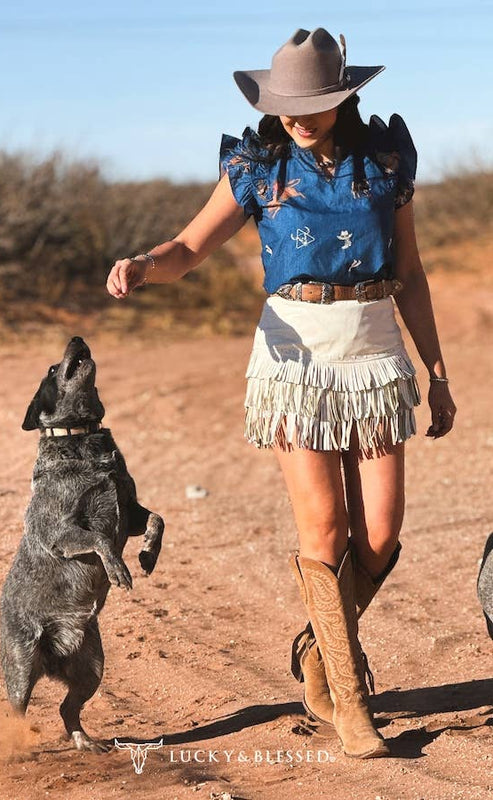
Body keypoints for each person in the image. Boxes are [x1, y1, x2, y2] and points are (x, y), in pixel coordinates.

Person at [106, 27, 456, 759]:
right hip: (292, 355)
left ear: (342, 98)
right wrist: (144, 264)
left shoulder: (386, 164)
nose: (298, 116)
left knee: (381, 535)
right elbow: (190, 247)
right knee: (324, 531)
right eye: (287, 103)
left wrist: (437, 371)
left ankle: (314, 651)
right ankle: (346, 694)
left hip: (372, 349)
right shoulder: (256, 168)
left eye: (314, 102)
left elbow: (413, 275)